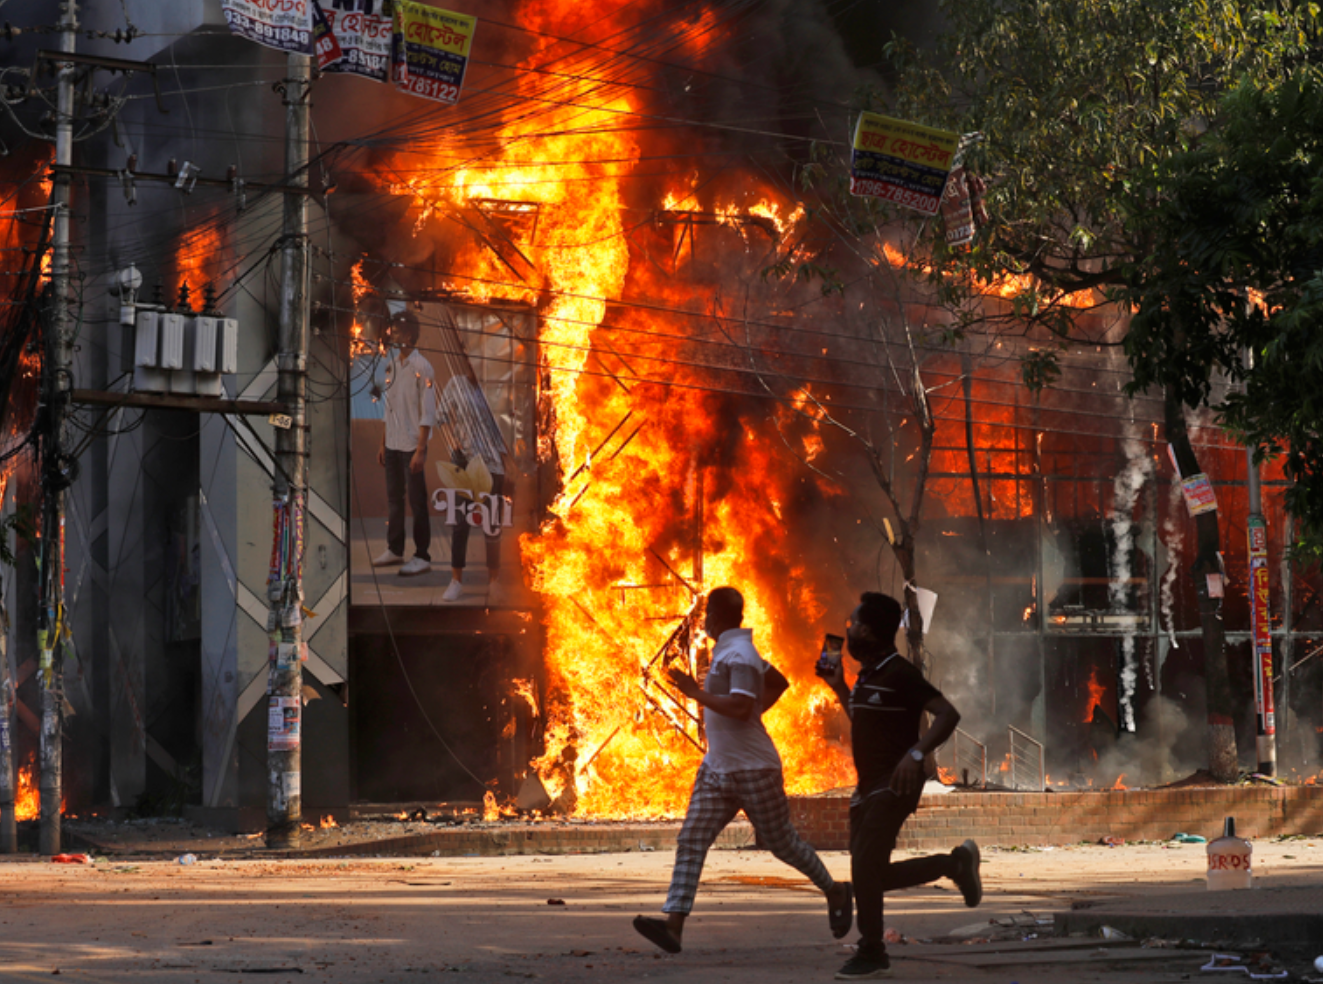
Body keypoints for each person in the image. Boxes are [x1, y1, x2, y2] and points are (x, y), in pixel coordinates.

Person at [633, 586, 853, 954]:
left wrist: (693, 692)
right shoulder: (731, 651)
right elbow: (778, 683)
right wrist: (754, 712)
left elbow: (736, 707)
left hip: (754, 769)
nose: (703, 621)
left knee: (783, 844)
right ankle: (673, 926)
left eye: (706, 616)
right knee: (691, 839)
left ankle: (836, 890)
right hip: (717, 768)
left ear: (716, 618)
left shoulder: (739, 655)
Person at [818, 591, 982, 980]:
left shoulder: (900, 673)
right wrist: (840, 688)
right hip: (867, 787)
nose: (849, 631)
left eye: (855, 625)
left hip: (896, 783)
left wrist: (916, 754)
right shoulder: (868, 676)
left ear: (872, 631)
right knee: (869, 875)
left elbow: (947, 713)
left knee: (863, 867)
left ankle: (872, 950)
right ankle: (955, 864)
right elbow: (865, 722)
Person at [371, 310, 436, 577]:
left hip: (412, 447)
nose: (391, 334)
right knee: (394, 499)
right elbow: (390, 409)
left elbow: (428, 412)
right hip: (393, 445)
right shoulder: (391, 366)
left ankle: (422, 555)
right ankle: (395, 549)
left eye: (396, 331)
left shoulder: (423, 367)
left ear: (409, 334)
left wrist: (420, 450)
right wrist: (382, 443)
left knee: (417, 502)